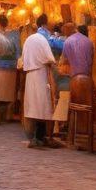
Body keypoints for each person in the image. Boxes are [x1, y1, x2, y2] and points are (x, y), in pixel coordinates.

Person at [22, 15, 58, 148]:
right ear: (44, 24)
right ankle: (39, 137)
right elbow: (50, 58)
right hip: (41, 75)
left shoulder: (29, 39)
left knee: (33, 106)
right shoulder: (43, 39)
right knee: (43, 106)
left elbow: (23, 58)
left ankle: (32, 137)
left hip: (30, 75)